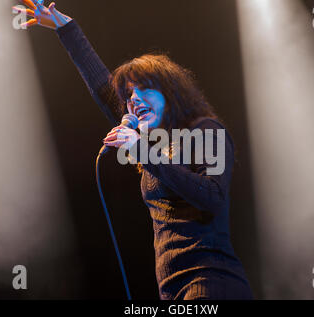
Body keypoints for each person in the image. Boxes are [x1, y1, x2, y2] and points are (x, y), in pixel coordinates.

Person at [15, 0, 253, 300]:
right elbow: (103, 88)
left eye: (144, 89)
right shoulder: (154, 146)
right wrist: (66, 28)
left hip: (212, 284)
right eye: (129, 94)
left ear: (171, 92)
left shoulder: (205, 131)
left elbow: (214, 197)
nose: (134, 100)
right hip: (172, 290)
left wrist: (142, 152)